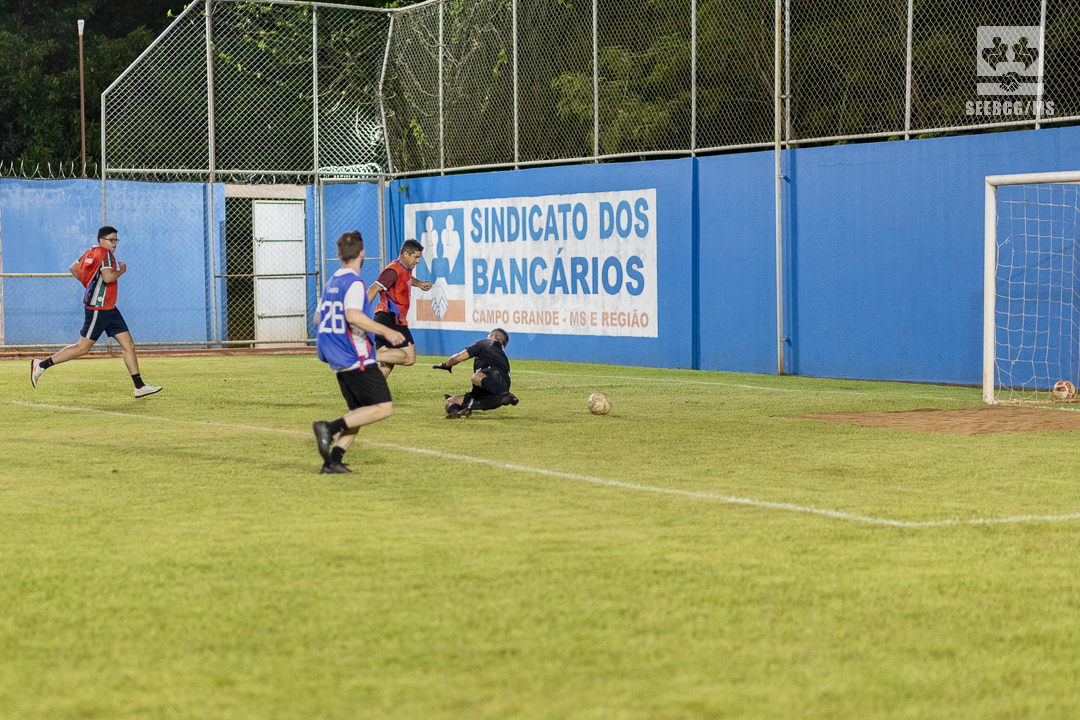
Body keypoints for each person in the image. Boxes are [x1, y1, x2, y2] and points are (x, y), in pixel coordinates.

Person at [30, 226, 162, 398]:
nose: (114, 244)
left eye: (116, 240)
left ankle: (139, 386)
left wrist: (91, 286)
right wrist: (121, 271)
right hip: (99, 309)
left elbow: (73, 268)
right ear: (101, 240)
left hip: (109, 308)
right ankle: (41, 365)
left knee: (128, 344)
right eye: (111, 240)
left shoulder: (90, 253)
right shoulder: (106, 255)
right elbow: (108, 277)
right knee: (82, 348)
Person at [312, 231, 405, 474]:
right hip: (357, 358)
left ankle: (332, 462)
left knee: (360, 413)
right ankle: (329, 428)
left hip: (339, 358)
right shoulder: (354, 283)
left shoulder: (332, 282)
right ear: (362, 253)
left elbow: (317, 318)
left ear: (338, 255)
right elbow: (353, 316)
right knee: (384, 408)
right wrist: (387, 332)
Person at [367, 239, 431, 377]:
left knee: (387, 363)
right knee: (409, 358)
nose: (418, 261)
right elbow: (373, 289)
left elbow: (407, 278)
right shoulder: (392, 271)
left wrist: (419, 283)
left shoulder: (405, 268)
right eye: (416, 257)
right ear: (406, 254)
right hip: (389, 318)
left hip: (392, 318)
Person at [433, 328, 519, 419]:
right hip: (492, 398)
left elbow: (457, 358)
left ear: (493, 337)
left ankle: (504, 395)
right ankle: (460, 413)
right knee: (451, 401)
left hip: (498, 386)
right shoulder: (501, 355)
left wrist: (445, 365)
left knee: (476, 377)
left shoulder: (487, 343)